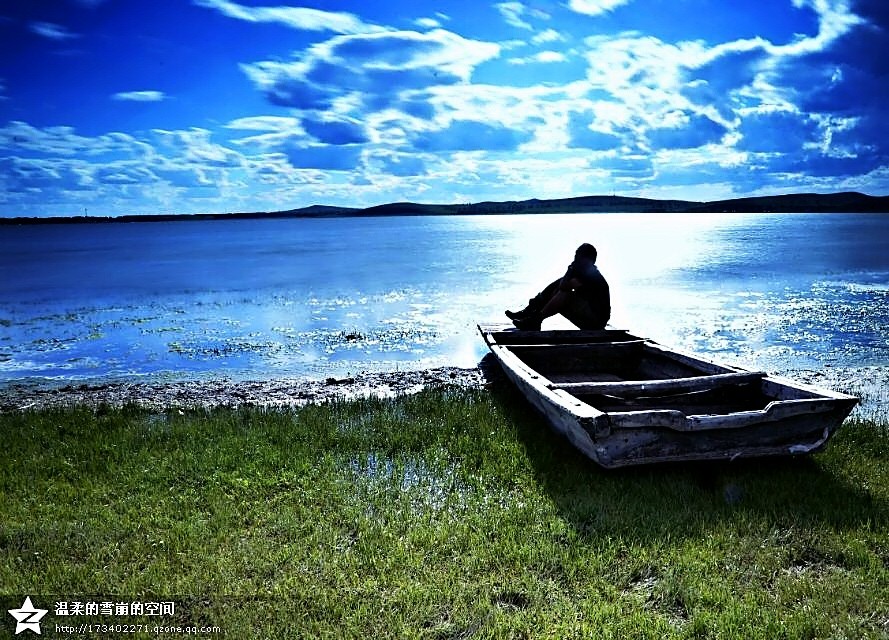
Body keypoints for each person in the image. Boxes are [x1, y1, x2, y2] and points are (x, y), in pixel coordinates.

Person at [506, 242, 610, 331]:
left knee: (564, 294)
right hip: (591, 318)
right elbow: (561, 284)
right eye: (576, 256)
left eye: (579, 256)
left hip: (596, 322)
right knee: (558, 288)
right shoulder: (584, 272)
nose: (576, 258)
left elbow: (564, 287)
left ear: (588, 260)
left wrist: (571, 268)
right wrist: (571, 269)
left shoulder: (590, 275)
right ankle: (531, 314)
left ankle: (534, 318)